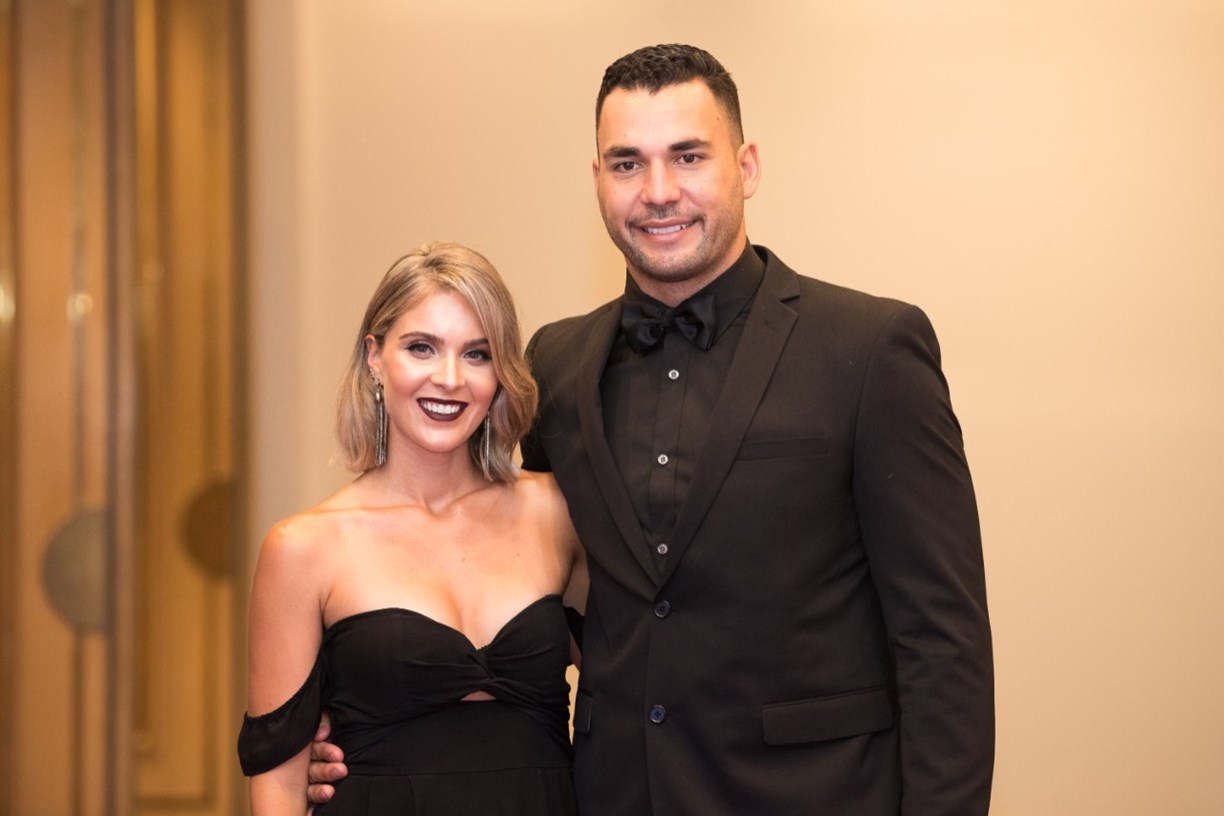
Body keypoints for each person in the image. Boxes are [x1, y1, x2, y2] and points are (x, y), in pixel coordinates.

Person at [310, 44, 994, 814]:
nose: (659, 191)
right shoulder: (556, 365)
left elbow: (943, 640)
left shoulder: (869, 350)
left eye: (688, 156)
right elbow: (517, 594)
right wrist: (366, 731)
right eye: (628, 163)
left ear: (747, 167)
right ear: (597, 180)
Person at [239, 242, 587, 815]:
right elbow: (277, 785)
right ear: (375, 358)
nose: (449, 378)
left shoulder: (555, 511)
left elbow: (636, 680)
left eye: (477, 354)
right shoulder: (303, 547)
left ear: (501, 372)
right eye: (421, 347)